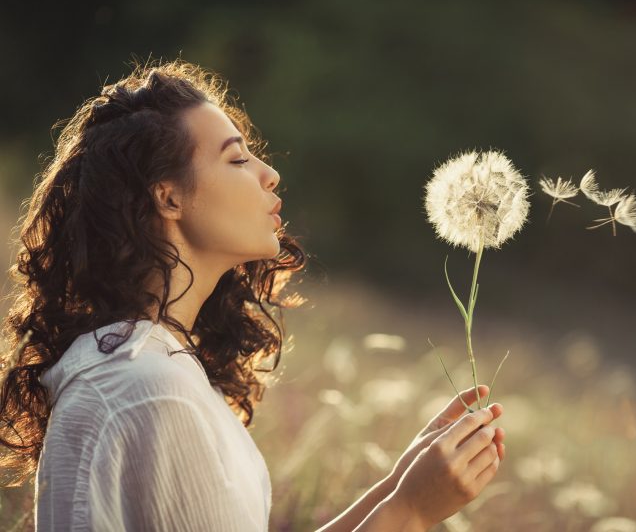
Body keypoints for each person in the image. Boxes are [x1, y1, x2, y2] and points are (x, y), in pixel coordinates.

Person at [0, 57, 506, 531]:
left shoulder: (155, 366)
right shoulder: (149, 389)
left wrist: (396, 485)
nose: (270, 173)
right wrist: (411, 511)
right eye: (237, 158)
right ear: (169, 196)